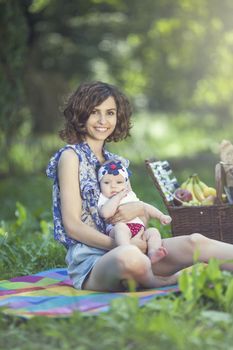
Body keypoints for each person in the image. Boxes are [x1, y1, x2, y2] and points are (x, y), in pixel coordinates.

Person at [47, 81, 233, 292]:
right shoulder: (71, 157)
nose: (102, 120)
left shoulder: (117, 163)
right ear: (80, 114)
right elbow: (72, 226)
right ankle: (166, 280)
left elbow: (139, 222)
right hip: (95, 262)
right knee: (130, 258)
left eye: (110, 113)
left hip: (138, 248)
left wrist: (139, 211)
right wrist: (122, 245)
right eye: (94, 112)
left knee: (195, 241)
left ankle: (149, 273)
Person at [97, 159, 171, 263]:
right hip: (117, 229)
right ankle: (126, 251)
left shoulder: (130, 195)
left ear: (125, 183)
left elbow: (144, 207)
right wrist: (118, 196)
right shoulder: (104, 198)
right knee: (120, 227)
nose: (113, 186)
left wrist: (161, 216)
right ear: (100, 184)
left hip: (139, 229)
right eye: (106, 182)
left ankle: (153, 253)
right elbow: (105, 213)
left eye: (119, 182)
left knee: (153, 231)